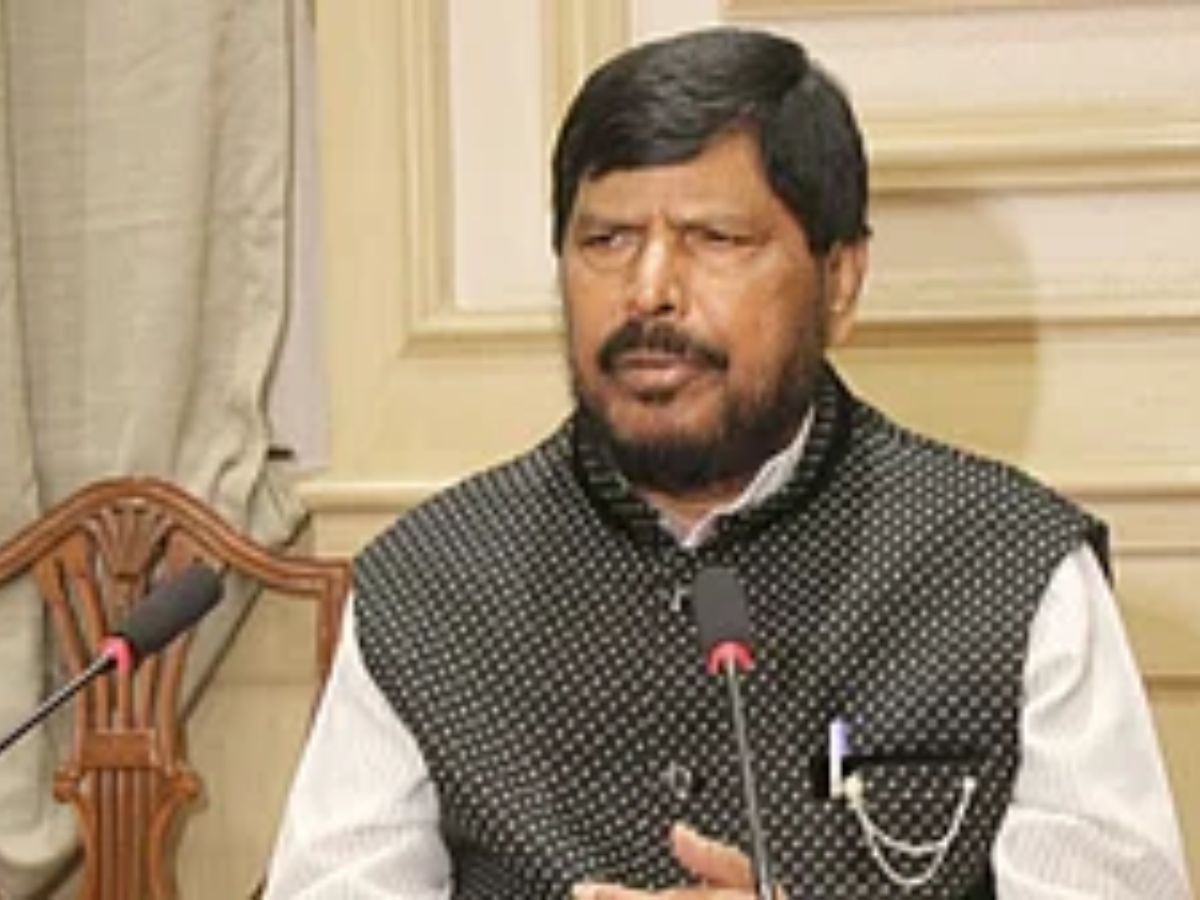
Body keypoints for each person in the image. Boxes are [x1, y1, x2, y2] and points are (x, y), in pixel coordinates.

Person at [264, 27, 1191, 900]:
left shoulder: (1005, 565)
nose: (649, 292)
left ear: (839, 280)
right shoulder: (428, 587)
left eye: (715, 240)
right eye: (606, 241)